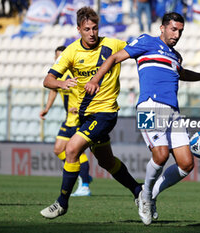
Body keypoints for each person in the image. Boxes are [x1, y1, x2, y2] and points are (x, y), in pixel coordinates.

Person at [84, 12, 200, 225]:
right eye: (173, 29)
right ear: (162, 28)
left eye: (180, 31)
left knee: (186, 164)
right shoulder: (146, 41)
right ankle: (145, 193)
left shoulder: (176, 56)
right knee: (160, 156)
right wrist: (96, 79)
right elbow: (114, 57)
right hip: (149, 106)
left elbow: (182, 73)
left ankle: (148, 196)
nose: (177, 34)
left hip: (173, 112)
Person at [40, 6, 142, 219]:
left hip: (105, 113)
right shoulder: (70, 51)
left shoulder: (112, 44)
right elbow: (47, 80)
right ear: (79, 29)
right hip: (84, 116)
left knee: (71, 149)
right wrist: (62, 82)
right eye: (87, 29)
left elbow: (139, 49)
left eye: (95, 28)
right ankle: (138, 191)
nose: (92, 33)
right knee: (106, 161)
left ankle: (61, 203)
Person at [40, 46, 92, 197]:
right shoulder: (58, 75)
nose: (60, 59)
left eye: (62, 56)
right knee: (58, 150)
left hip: (78, 119)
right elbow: (53, 90)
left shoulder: (75, 74)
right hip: (68, 120)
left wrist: (79, 107)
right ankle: (83, 175)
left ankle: (85, 185)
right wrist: (47, 108)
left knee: (76, 152)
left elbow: (87, 91)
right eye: (57, 57)